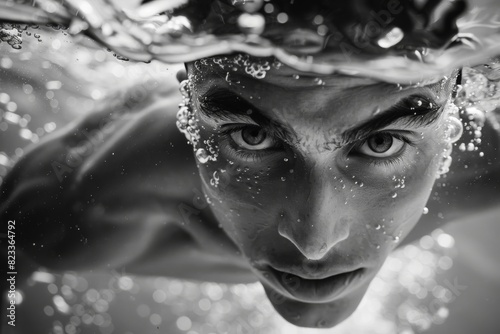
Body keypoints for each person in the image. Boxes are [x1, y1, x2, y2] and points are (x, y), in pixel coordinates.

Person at [1, 0, 500, 329]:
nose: (313, 241)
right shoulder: (82, 206)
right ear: (190, 113)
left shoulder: (485, 165)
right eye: (252, 136)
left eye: (382, 144)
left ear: (455, 114)